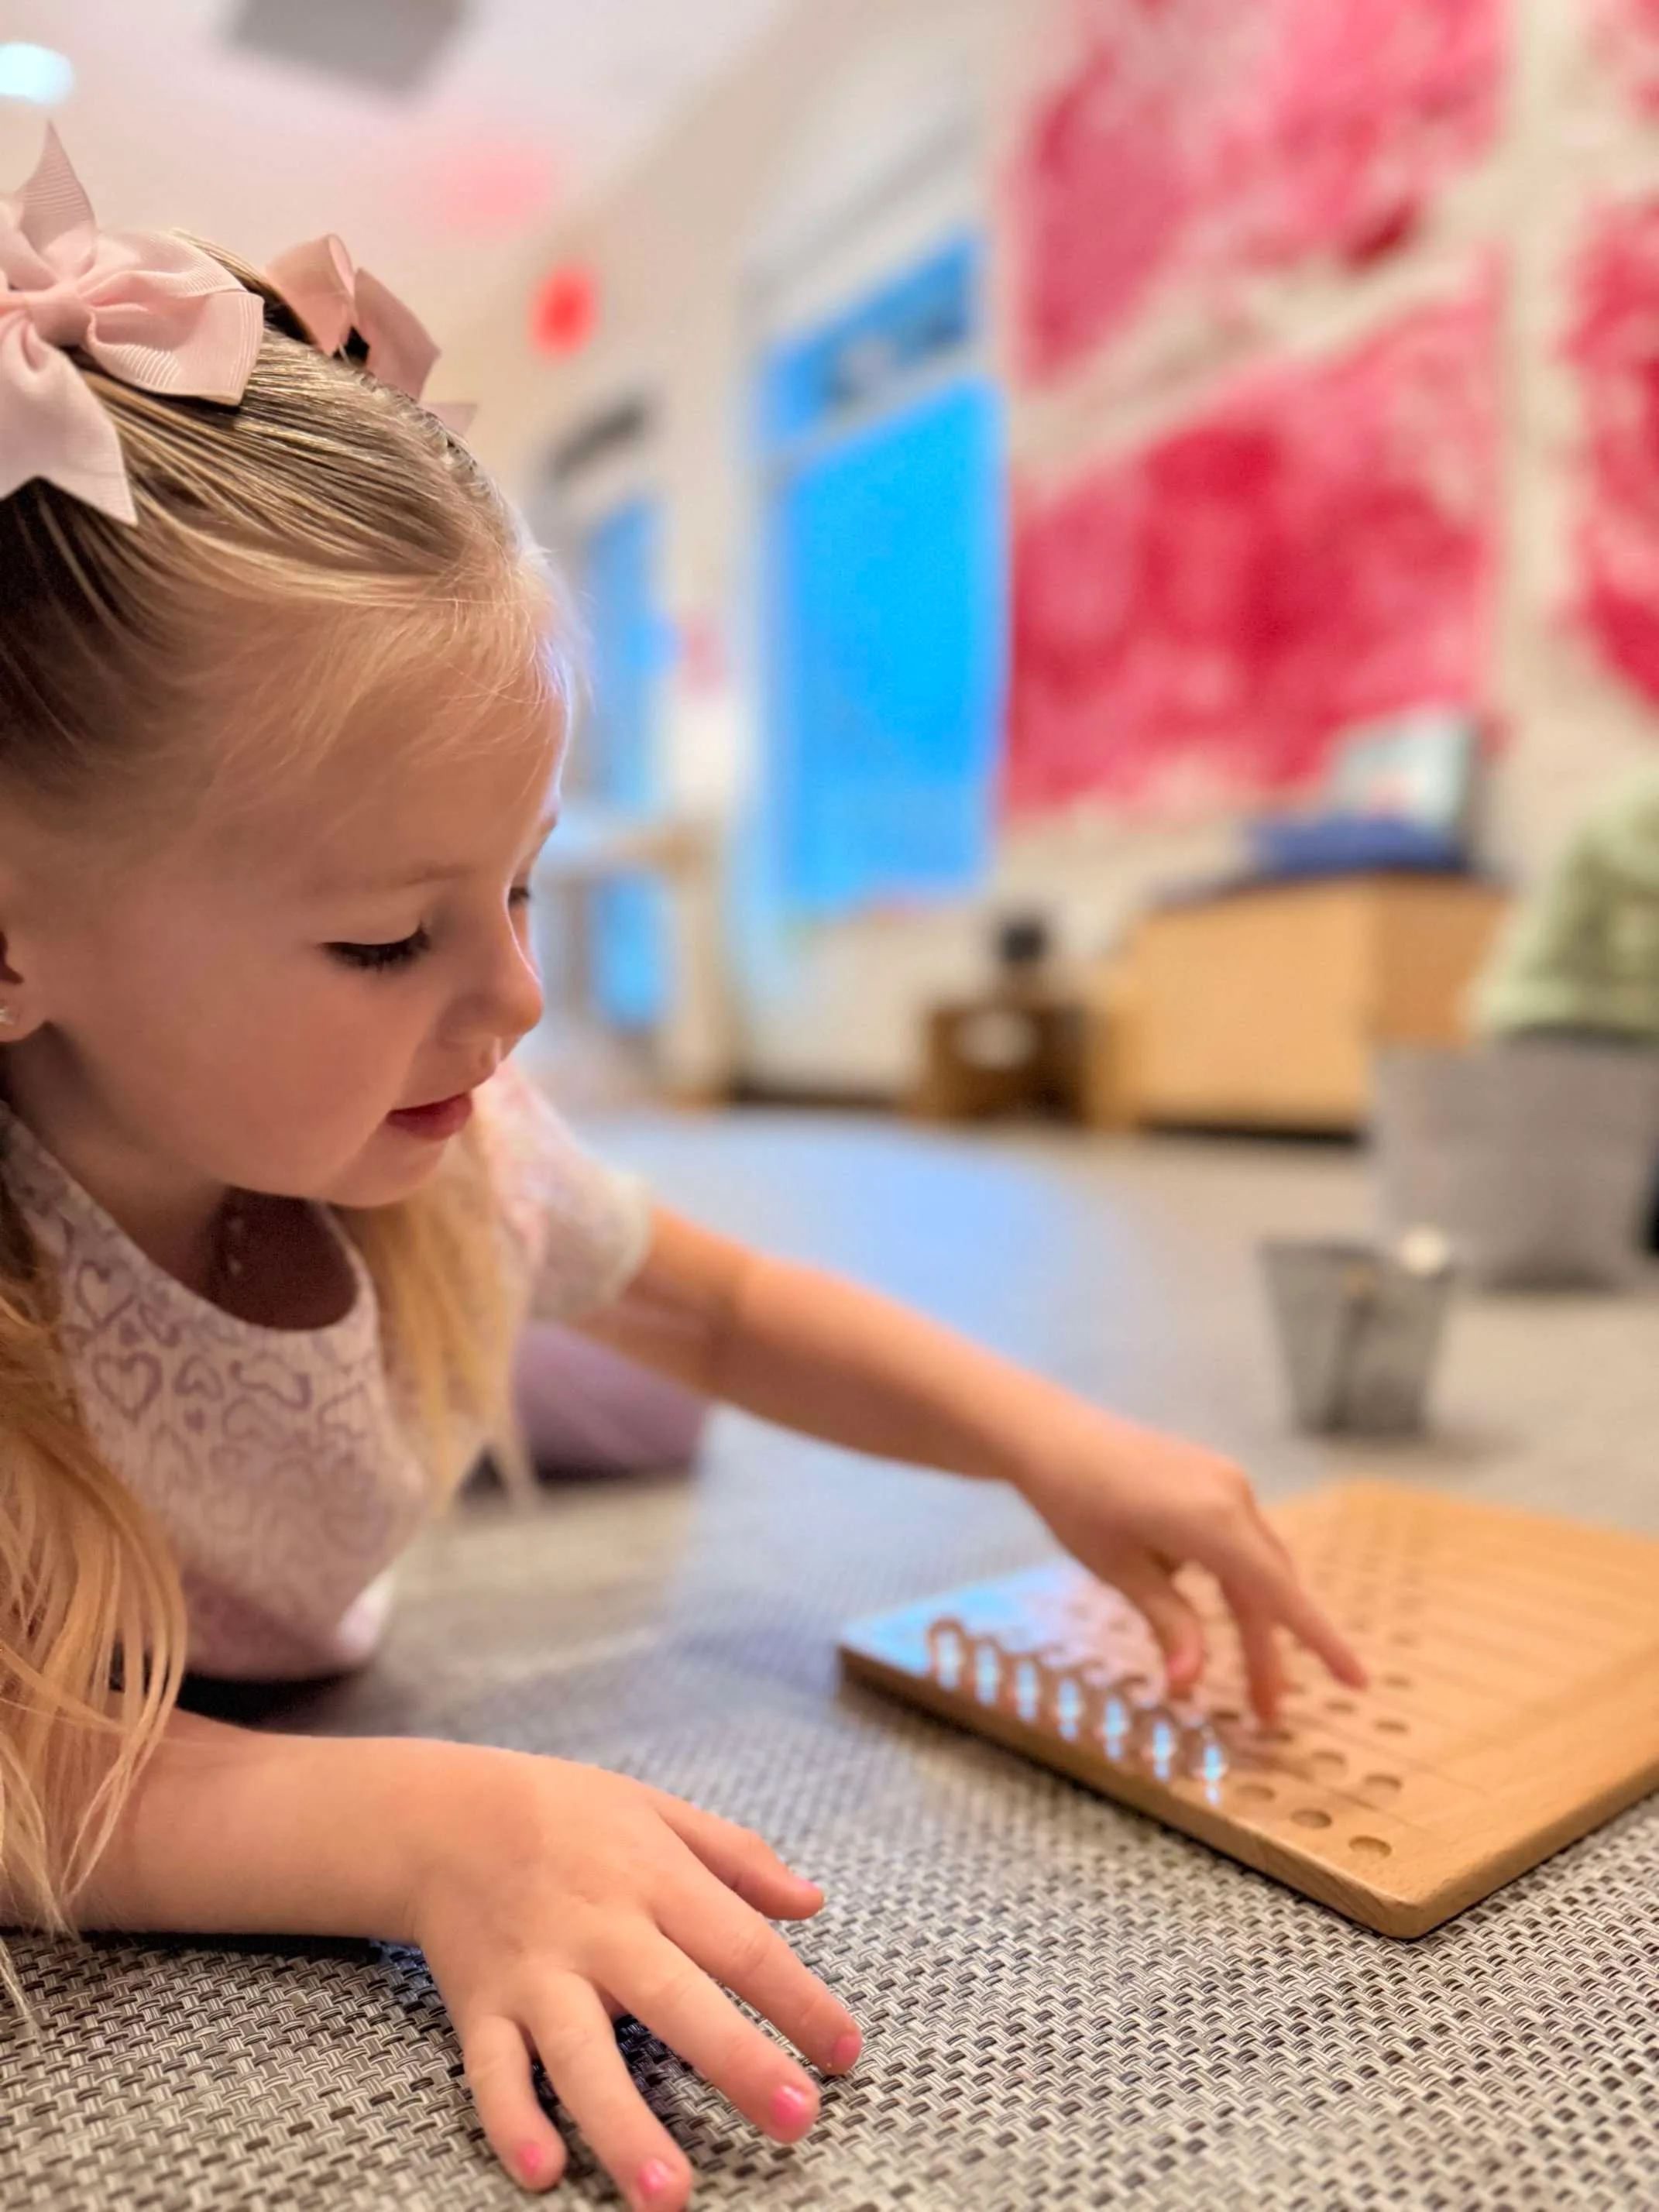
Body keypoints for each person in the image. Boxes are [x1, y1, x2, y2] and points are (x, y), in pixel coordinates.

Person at [0, 132, 1362, 2211]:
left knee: (634, 1372)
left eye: (525, 887)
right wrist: (416, 1828)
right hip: (176, 1524)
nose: (521, 999)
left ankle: (501, 1355)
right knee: (580, 1362)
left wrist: (1047, 1435)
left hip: (376, 1356)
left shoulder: (436, 1141)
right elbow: (34, 1772)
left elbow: (722, 1301)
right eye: (390, 938)